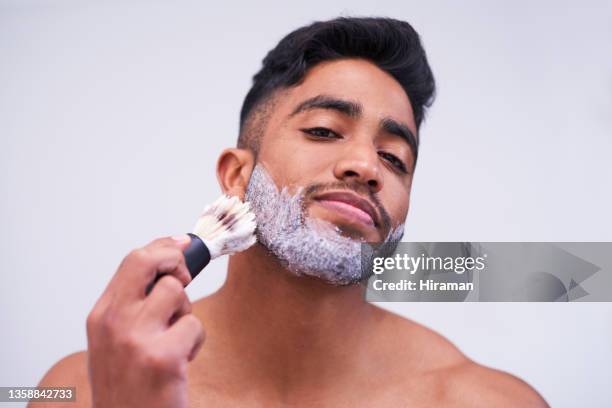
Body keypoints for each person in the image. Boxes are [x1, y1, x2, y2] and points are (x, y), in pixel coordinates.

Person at [34, 17, 549, 407]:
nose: (368, 166)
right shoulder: (78, 390)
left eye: (396, 159)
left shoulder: (488, 401)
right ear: (237, 175)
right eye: (324, 130)